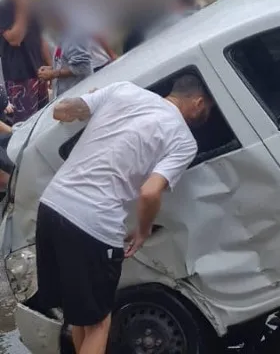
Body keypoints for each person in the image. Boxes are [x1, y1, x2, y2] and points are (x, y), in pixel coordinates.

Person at [34, 75, 211, 354]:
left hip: (52, 205)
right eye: (207, 110)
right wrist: (142, 230)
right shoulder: (183, 139)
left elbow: (62, 110)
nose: (205, 116)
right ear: (198, 103)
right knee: (100, 323)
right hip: (93, 224)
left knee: (80, 317)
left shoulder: (122, 90)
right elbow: (150, 192)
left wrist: (90, 100)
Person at [0, 0, 51, 124]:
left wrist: (51, 67)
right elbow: (15, 39)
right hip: (19, 78)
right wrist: (23, 8)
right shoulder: (4, 7)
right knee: (25, 127)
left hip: (40, 73)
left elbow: (39, 38)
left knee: (43, 123)